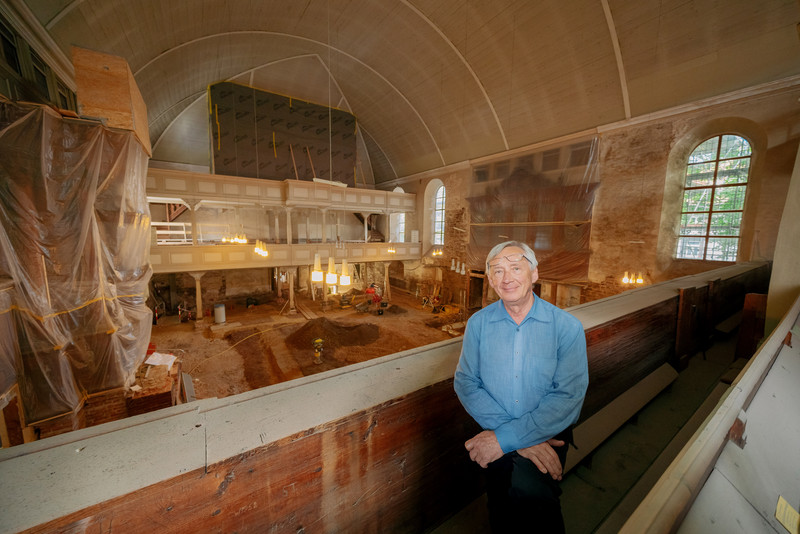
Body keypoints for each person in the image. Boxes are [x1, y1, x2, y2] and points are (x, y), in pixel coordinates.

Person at [454, 241, 589, 533]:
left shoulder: (567, 327)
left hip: (547, 435)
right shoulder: (478, 324)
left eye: (516, 268)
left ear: (534, 273)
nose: (507, 278)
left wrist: (504, 438)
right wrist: (515, 438)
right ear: (490, 280)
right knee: (499, 505)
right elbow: (465, 381)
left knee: (538, 505)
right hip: (495, 433)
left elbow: (568, 397)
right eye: (498, 271)